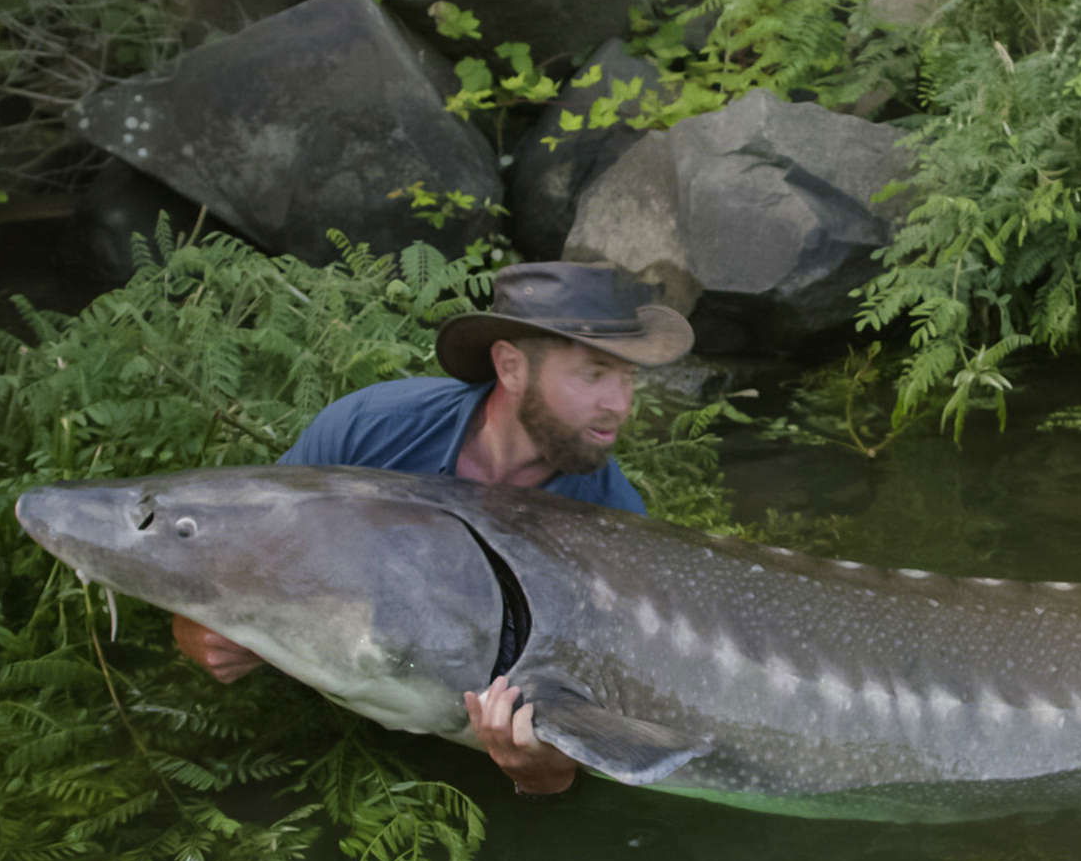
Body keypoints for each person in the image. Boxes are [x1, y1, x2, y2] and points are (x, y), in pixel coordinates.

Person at [172, 261, 694, 794]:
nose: (621, 405)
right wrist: (196, 628)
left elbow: (600, 730)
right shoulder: (370, 429)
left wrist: (545, 774)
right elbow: (236, 554)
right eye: (593, 374)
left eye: (628, 377)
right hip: (318, 719)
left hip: (470, 748)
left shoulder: (615, 524)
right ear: (511, 368)